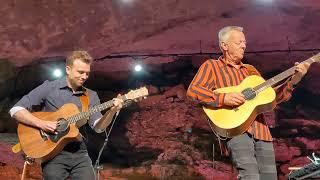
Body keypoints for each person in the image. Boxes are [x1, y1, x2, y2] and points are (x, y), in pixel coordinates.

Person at [186, 26, 310, 180]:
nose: (244, 45)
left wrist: (295, 79)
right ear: (224, 45)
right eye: (239, 42)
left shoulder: (250, 70)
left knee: (270, 178)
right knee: (250, 176)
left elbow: (270, 98)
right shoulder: (212, 66)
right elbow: (194, 91)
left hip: (262, 131)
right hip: (236, 130)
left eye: (244, 42)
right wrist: (223, 98)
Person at [9, 50, 124, 180]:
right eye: (80, 72)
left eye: (87, 73)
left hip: (79, 153)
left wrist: (112, 111)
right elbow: (16, 110)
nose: (84, 76)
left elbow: (98, 127)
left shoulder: (91, 96)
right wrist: (42, 124)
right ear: (68, 69)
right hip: (52, 153)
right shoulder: (49, 87)